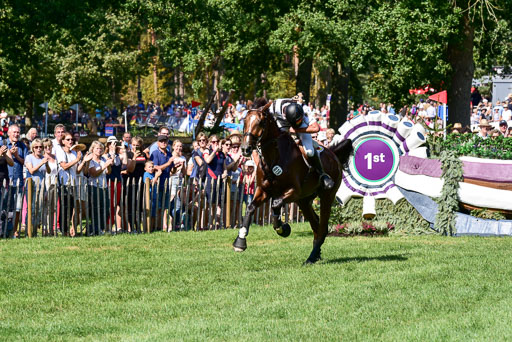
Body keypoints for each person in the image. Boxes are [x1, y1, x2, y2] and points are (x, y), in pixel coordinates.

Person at [268, 97, 334, 189]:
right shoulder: (274, 108)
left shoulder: (302, 109)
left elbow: (316, 128)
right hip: (282, 124)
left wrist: (295, 129)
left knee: (309, 151)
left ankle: (322, 174)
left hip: (300, 127)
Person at [56, 132, 88, 236]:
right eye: (68, 140)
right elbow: (64, 166)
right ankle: (63, 230)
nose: (70, 142)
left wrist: (83, 161)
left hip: (73, 183)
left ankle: (68, 229)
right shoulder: (60, 152)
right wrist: (77, 160)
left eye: (72, 140)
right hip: (64, 183)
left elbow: (78, 171)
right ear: (63, 141)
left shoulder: (75, 153)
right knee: (64, 207)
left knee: (71, 208)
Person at [5, 124, 28, 237]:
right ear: (9, 133)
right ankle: (4, 229)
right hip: (6, 180)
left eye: (18, 132)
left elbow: (26, 163)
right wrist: (9, 153)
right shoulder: (2, 144)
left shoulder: (23, 146)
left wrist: (16, 156)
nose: (16, 134)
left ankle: (14, 230)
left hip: (18, 180)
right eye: (14, 132)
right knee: (5, 207)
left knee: (17, 208)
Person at [150, 134, 176, 231]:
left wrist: (175, 167)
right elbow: (155, 167)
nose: (163, 143)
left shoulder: (169, 154)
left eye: (165, 141)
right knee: (158, 206)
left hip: (166, 182)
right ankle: (156, 226)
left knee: (165, 206)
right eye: (161, 141)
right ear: (158, 143)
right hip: (157, 183)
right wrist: (168, 164)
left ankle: (162, 226)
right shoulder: (155, 153)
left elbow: (171, 170)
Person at [87, 141, 113, 235]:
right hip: (94, 186)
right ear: (92, 149)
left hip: (104, 186)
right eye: (97, 148)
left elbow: (108, 172)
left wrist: (109, 164)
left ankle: (101, 228)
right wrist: (105, 165)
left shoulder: (102, 160)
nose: (99, 150)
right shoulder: (90, 161)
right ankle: (94, 229)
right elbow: (93, 173)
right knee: (95, 208)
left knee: (105, 208)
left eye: (101, 148)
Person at [104, 136, 128, 232]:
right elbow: (111, 163)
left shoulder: (119, 156)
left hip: (118, 181)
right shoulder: (105, 155)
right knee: (110, 204)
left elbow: (125, 162)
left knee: (117, 204)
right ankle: (108, 225)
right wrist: (112, 152)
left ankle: (116, 226)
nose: (114, 145)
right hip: (109, 181)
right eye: (112, 143)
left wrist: (123, 148)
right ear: (109, 144)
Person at [168, 139, 186, 231]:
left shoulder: (183, 158)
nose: (179, 148)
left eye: (180, 146)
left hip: (180, 181)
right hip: (172, 181)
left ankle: (177, 223)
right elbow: (169, 172)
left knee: (178, 203)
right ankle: (170, 222)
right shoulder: (170, 157)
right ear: (173, 147)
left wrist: (182, 167)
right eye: (177, 146)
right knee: (171, 202)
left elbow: (185, 172)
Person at [143, 160, 162, 229]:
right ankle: (148, 228)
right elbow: (149, 182)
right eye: (149, 167)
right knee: (150, 213)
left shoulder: (152, 174)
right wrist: (156, 176)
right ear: (145, 168)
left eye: (152, 167)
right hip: (149, 196)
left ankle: (154, 227)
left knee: (154, 213)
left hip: (155, 196)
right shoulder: (146, 174)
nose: (151, 168)